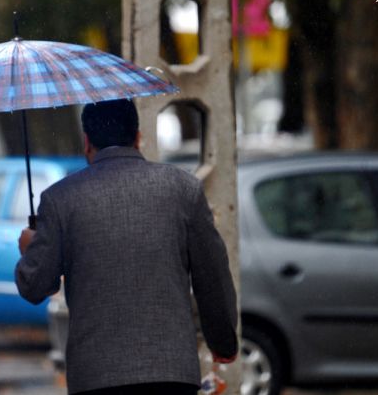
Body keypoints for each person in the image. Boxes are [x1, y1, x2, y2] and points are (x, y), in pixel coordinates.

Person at [15, 98, 238, 395]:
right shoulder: (184, 189)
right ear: (137, 137)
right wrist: (223, 343)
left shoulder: (60, 199)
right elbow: (212, 276)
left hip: (96, 378)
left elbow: (35, 287)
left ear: (86, 141)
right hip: (171, 374)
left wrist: (30, 248)